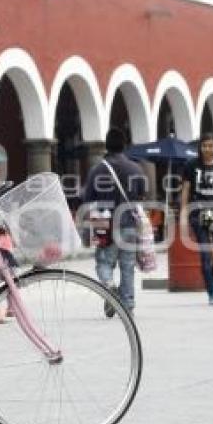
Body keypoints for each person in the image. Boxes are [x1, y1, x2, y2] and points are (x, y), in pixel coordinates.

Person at [81, 127, 146, 317]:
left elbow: (87, 199)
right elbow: (141, 195)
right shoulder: (135, 168)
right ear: (124, 145)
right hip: (128, 223)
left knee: (103, 262)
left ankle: (110, 290)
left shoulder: (97, 169)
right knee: (127, 265)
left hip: (103, 224)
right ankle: (128, 305)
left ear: (106, 146)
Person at [180, 132, 213, 305]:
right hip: (198, 213)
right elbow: (186, 190)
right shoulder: (191, 165)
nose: (207, 149)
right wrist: (183, 214)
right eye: (204, 146)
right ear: (200, 147)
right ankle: (212, 291)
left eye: (211, 145)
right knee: (205, 255)